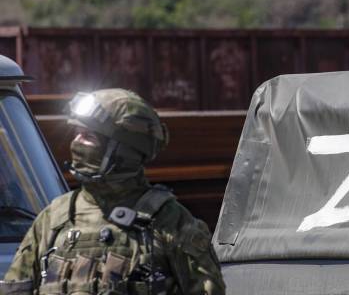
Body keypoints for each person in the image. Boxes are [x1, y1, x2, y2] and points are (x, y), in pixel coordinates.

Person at [1, 89, 225, 295]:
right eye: (77, 133)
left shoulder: (168, 221)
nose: (76, 143)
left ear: (124, 150)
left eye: (88, 136)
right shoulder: (53, 219)